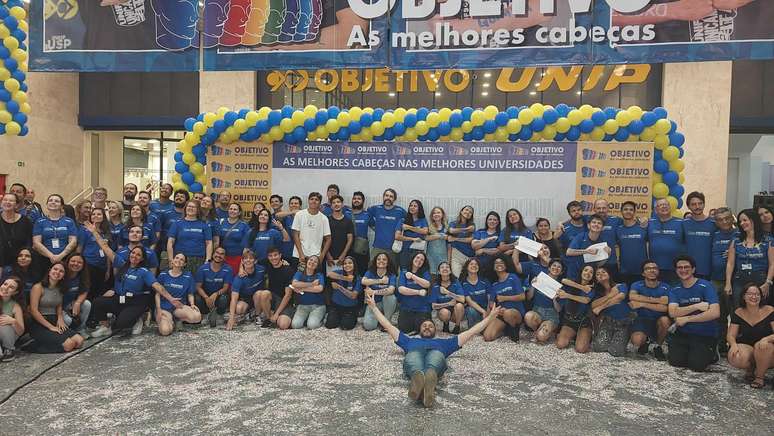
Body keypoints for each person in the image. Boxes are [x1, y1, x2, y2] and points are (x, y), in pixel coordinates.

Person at [365, 291, 504, 408]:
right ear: (419, 330)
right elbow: (388, 326)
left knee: (435, 360)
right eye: (424, 326)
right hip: (414, 352)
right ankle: (422, 383)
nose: (427, 327)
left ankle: (423, 384)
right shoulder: (409, 340)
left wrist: (490, 317)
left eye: (430, 326)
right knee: (413, 361)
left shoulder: (444, 343)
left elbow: (471, 332)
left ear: (435, 331)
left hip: (437, 353)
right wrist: (374, 308)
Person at [91, 246, 180, 338]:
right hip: (119, 298)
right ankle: (105, 327)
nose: (134, 256)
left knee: (121, 325)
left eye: (138, 255)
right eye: (133, 253)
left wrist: (171, 298)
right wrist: (94, 232)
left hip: (135, 302)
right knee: (98, 302)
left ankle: (139, 318)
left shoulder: (144, 272)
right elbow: (106, 249)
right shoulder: (122, 264)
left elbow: (157, 286)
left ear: (142, 259)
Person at [668, 255, 721, 372]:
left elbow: (715, 312)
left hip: (704, 333)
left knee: (697, 366)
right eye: (679, 267)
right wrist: (696, 306)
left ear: (693, 269)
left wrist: (687, 319)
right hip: (683, 333)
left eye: (686, 267)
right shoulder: (674, 289)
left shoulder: (706, 285)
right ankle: (691, 351)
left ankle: (712, 352)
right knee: (676, 362)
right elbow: (672, 313)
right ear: (676, 270)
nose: (683, 270)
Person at [27, 263, 85, 353]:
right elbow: (33, 311)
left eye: (61, 271)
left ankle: (50, 342)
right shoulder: (38, 287)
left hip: (54, 320)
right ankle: (33, 346)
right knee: (69, 345)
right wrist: (50, 327)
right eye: (55, 269)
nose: (57, 272)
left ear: (63, 276)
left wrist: (60, 318)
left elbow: (59, 305)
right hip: (39, 324)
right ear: (49, 271)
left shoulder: (60, 288)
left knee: (79, 341)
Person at [726, 283, 774, 388]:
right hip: (748, 347)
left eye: (757, 294)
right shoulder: (738, 312)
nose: (754, 297)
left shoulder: (770, 310)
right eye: (750, 294)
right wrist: (733, 345)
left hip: (767, 347)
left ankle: (759, 377)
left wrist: (766, 339)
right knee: (736, 357)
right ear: (743, 296)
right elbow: (731, 335)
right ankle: (751, 368)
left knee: (762, 347)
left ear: (761, 297)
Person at [725, 209, 774, 308]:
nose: (742, 223)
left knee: (761, 311)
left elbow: (772, 264)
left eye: (745, 220)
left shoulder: (768, 240)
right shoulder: (736, 240)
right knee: (739, 310)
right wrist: (728, 283)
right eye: (740, 221)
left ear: (754, 220)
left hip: (761, 280)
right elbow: (730, 263)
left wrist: (768, 283)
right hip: (740, 280)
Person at [517, 246, 563, 344]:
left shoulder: (560, 287)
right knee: (528, 316)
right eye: (554, 266)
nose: (556, 268)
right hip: (537, 310)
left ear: (561, 271)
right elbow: (529, 297)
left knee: (542, 337)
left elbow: (559, 310)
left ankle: (545, 330)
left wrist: (555, 299)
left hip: (552, 315)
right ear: (549, 268)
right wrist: (532, 286)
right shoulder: (540, 278)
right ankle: (537, 330)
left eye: (559, 267)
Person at [629, 260, 671, 361]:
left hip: (659, 320)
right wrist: (657, 301)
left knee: (665, 321)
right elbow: (632, 297)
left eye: (655, 268)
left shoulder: (666, 287)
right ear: (643, 273)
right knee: (637, 341)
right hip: (642, 319)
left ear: (658, 271)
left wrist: (642, 303)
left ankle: (657, 346)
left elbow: (665, 306)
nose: (652, 270)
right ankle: (647, 341)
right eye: (648, 268)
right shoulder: (636, 285)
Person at [711, 207, 738, 353]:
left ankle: (735, 344)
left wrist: (735, 252)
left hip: (735, 280)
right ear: (716, 222)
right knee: (719, 314)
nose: (725, 221)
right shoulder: (713, 235)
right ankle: (720, 344)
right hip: (715, 279)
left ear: (732, 218)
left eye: (727, 218)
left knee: (735, 314)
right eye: (720, 219)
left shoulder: (740, 234)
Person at [32, 194, 79, 276]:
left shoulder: (69, 221)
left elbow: (73, 241)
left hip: (64, 258)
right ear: (47, 205)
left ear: (61, 206)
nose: (53, 202)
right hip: (44, 258)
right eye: (50, 200)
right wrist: (51, 256)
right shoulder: (39, 221)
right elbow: (36, 243)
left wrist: (60, 256)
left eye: (56, 201)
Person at [590, 266, 632, 357]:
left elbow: (620, 297)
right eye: (598, 274)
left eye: (603, 272)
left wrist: (601, 307)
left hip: (623, 323)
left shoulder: (621, 286)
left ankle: (622, 338)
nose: (601, 274)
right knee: (598, 348)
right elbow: (593, 305)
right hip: (608, 322)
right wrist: (610, 296)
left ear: (609, 275)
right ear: (596, 279)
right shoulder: (598, 293)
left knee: (616, 352)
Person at [156, 254, 202, 336]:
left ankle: (178, 319)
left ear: (184, 264)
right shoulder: (163, 275)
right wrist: (158, 309)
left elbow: (190, 293)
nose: (178, 260)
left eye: (182, 259)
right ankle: (171, 321)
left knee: (197, 316)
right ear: (172, 260)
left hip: (179, 307)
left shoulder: (188, 276)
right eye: (177, 258)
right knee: (165, 331)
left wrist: (192, 304)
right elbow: (157, 294)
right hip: (164, 307)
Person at [555, 265, 596, 353]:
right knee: (560, 344)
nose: (588, 273)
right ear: (581, 272)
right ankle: (572, 335)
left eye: (591, 272)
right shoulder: (572, 283)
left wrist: (567, 295)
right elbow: (563, 280)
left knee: (580, 349)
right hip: (569, 320)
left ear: (593, 276)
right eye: (586, 270)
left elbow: (585, 300)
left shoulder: (591, 289)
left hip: (583, 322)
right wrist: (582, 287)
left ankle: (583, 336)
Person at [483, 256, 525, 342]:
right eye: (496, 263)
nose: (499, 264)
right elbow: (491, 304)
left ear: (506, 265)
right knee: (487, 337)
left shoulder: (513, 277)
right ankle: (505, 330)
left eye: (501, 262)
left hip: (515, 313)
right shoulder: (494, 285)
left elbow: (522, 296)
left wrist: (505, 298)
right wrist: (496, 311)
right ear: (493, 267)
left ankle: (514, 329)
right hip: (501, 314)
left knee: (508, 313)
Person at [167, 200, 213, 275]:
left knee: (196, 283)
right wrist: (170, 259)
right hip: (180, 260)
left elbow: (209, 243)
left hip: (198, 260)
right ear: (185, 208)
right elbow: (170, 242)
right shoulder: (177, 224)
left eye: (193, 207)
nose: (191, 208)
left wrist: (208, 260)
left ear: (198, 210)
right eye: (189, 206)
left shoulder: (204, 225)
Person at [226, 250, 267, 330]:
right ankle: (248, 314)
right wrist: (231, 318)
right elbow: (234, 299)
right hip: (246, 299)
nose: (248, 260)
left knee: (258, 294)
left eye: (251, 258)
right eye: (245, 258)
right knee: (239, 308)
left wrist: (284, 262)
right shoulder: (239, 278)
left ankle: (257, 315)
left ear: (255, 261)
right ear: (242, 261)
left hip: (258, 296)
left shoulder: (261, 270)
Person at [291, 192, 332, 273]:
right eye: (312, 199)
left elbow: (328, 239)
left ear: (320, 203)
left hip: (315, 257)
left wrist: (322, 256)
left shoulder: (324, 218)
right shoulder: (299, 214)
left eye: (316, 200)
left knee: (314, 281)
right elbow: (295, 234)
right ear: (308, 201)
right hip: (299, 257)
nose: (314, 201)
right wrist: (301, 254)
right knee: (298, 278)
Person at [648, 198, 685, 284]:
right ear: (656, 210)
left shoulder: (681, 223)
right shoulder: (650, 223)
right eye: (660, 205)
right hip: (654, 268)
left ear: (670, 207)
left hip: (676, 268)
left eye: (666, 204)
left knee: (674, 295)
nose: (664, 206)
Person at [194, 247, 233, 328]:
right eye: (217, 253)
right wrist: (206, 297)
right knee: (197, 298)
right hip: (205, 295)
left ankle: (219, 315)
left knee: (224, 298)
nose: (219, 255)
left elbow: (226, 287)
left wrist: (216, 294)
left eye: (222, 254)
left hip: (219, 296)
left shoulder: (228, 269)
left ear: (225, 257)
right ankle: (205, 315)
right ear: (213, 254)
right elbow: (198, 287)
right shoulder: (203, 268)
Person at [565, 214, 612, 281]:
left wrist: (608, 254)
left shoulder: (602, 242)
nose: (596, 225)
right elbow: (568, 252)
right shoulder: (581, 236)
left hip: (589, 276)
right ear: (588, 225)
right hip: (574, 273)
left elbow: (598, 264)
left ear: (602, 228)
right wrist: (587, 251)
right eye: (594, 222)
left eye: (599, 223)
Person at [78, 208, 111, 300]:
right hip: (89, 264)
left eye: (99, 214)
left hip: (102, 266)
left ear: (103, 217)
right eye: (93, 214)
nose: (96, 216)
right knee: (89, 291)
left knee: (99, 292)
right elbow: (79, 248)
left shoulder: (105, 232)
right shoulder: (84, 230)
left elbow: (107, 251)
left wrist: (108, 269)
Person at [367, 188, 406, 266]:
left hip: (393, 248)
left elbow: (410, 221)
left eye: (391, 196)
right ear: (383, 197)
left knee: (392, 272)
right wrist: (374, 227)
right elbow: (366, 215)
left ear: (394, 199)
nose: (388, 198)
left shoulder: (400, 211)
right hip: (378, 247)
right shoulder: (376, 208)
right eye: (386, 195)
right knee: (372, 268)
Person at [396, 252, 433, 334]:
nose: (419, 260)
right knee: (404, 329)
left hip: (422, 308)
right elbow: (401, 289)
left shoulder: (425, 272)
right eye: (417, 258)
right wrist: (418, 292)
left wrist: (413, 276)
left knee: (422, 329)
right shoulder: (404, 272)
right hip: (406, 307)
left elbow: (427, 284)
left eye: (422, 260)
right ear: (413, 258)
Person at [362, 252, 398, 331]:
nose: (381, 261)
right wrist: (380, 280)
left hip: (387, 304)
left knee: (390, 297)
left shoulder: (392, 275)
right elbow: (364, 281)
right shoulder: (370, 272)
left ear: (388, 262)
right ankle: (379, 318)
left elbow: (391, 290)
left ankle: (387, 321)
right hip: (374, 303)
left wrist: (373, 292)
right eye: (378, 259)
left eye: (384, 259)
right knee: (368, 326)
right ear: (375, 261)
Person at [683, 192, 716, 279]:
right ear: (688, 206)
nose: (697, 207)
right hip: (687, 271)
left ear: (704, 204)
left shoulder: (714, 224)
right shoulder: (683, 224)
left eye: (700, 203)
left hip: (708, 270)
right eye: (693, 204)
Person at [616, 201, 648, 286]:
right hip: (624, 271)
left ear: (634, 212)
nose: (628, 211)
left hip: (642, 271)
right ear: (621, 212)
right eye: (625, 209)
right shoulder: (618, 229)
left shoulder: (643, 227)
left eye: (631, 209)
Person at [290, 254, 327, 329]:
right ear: (307, 262)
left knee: (311, 326)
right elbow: (294, 283)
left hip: (317, 306)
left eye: (315, 262)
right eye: (311, 260)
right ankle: (309, 318)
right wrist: (312, 284)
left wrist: (302, 288)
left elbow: (319, 289)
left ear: (317, 266)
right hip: (302, 305)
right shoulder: (299, 273)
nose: (312, 262)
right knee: (295, 325)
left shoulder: (319, 275)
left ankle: (323, 317)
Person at [325, 256, 361, 330]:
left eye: (350, 263)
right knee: (330, 325)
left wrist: (339, 287)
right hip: (336, 305)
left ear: (354, 265)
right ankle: (336, 316)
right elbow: (329, 274)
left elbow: (353, 296)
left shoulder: (358, 278)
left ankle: (348, 317)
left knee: (346, 326)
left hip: (350, 308)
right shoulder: (340, 272)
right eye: (345, 263)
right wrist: (345, 278)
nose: (347, 265)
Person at [264, 248, 296, 330]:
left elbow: (288, 295)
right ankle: (268, 319)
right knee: (262, 294)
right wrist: (241, 269)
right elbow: (250, 262)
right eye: (270, 256)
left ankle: (276, 316)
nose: (273, 258)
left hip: (285, 301)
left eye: (275, 255)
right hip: (273, 299)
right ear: (268, 257)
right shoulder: (268, 266)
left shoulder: (288, 270)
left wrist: (277, 314)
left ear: (280, 255)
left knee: (283, 325)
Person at [62, 254, 92, 339]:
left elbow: (84, 290)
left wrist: (78, 302)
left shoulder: (83, 276)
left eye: (79, 262)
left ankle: (80, 329)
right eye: (73, 261)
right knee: (68, 321)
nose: (76, 264)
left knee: (87, 304)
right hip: (58, 306)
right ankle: (69, 333)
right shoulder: (61, 273)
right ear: (67, 262)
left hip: (70, 304)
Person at [430, 261, 465, 334]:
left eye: (447, 267)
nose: (445, 269)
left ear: (450, 271)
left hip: (456, 312)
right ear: (439, 272)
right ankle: (446, 324)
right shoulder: (436, 285)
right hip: (443, 311)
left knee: (459, 305)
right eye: (442, 267)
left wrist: (448, 292)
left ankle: (457, 326)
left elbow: (462, 299)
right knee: (445, 313)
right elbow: (433, 306)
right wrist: (448, 304)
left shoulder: (455, 282)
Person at [0, 192, 32, 268]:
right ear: (1, 203)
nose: (7, 202)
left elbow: (29, 242)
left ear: (17, 205)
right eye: (5, 200)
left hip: (19, 263)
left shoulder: (25, 221)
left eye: (11, 200)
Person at [394, 199, 428, 271]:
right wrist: (413, 239)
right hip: (405, 251)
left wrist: (409, 227)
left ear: (419, 209)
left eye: (415, 206)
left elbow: (425, 231)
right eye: (411, 205)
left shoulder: (422, 220)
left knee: (417, 272)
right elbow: (397, 236)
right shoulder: (403, 220)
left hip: (418, 251)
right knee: (404, 271)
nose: (412, 207)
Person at [218, 203, 250, 273]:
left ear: (239, 213)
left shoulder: (244, 225)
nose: (232, 211)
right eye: (231, 209)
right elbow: (216, 240)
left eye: (235, 209)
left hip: (237, 258)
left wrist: (243, 262)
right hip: (222, 258)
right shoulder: (221, 222)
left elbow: (247, 245)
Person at [325, 195, 355, 271]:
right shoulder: (326, 220)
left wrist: (343, 255)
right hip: (329, 256)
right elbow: (323, 239)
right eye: (333, 203)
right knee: (330, 280)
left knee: (343, 279)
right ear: (331, 206)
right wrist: (328, 255)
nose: (336, 204)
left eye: (338, 202)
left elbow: (350, 239)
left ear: (342, 204)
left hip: (344, 256)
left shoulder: (348, 221)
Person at [460, 258, 491, 327]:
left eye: (476, 264)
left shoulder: (484, 280)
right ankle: (474, 329)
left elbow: (490, 298)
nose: (474, 265)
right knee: (470, 310)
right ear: (467, 267)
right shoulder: (463, 283)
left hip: (486, 308)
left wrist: (488, 311)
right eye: (471, 264)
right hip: (474, 309)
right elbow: (469, 301)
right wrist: (483, 311)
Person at [0, 276, 24, 361]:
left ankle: (9, 350)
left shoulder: (15, 306)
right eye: (5, 284)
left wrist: (13, 321)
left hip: (8, 335)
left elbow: (21, 332)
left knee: (4, 323)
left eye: (11, 287)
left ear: (15, 292)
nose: (6, 288)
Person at [447, 205, 475, 278]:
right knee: (456, 278)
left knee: (469, 278)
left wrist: (455, 239)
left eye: (470, 212)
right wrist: (466, 229)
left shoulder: (472, 225)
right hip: (456, 255)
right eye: (466, 210)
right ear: (461, 211)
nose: (468, 212)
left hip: (469, 256)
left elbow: (470, 239)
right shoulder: (453, 223)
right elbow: (451, 230)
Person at [471, 211, 501, 280]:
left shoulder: (500, 234)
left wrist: (483, 250)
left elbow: (498, 250)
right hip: (478, 266)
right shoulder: (480, 232)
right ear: (486, 221)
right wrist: (489, 239)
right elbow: (474, 246)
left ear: (498, 222)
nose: (492, 221)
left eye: (495, 220)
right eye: (490, 219)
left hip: (493, 267)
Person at [556, 200, 586, 265]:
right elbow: (560, 247)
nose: (577, 212)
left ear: (582, 210)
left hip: (586, 263)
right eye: (573, 211)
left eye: (579, 209)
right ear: (569, 213)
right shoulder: (564, 228)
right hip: (569, 263)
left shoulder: (589, 224)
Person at [276, 195, 302, 267]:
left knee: (299, 275)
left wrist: (300, 213)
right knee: (286, 274)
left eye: (296, 203)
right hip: (287, 252)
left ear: (300, 206)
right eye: (292, 203)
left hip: (300, 253)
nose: (293, 205)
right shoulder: (286, 216)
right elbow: (277, 215)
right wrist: (292, 212)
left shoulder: (304, 217)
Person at [350, 191, 371, 276]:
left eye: (359, 199)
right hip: (348, 246)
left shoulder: (367, 214)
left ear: (363, 201)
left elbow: (375, 227)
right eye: (354, 198)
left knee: (362, 270)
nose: (356, 200)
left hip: (361, 248)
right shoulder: (346, 213)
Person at [425, 206, 448, 278]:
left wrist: (449, 259)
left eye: (438, 212)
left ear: (442, 215)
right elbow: (425, 238)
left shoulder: (447, 228)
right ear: (432, 216)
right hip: (430, 257)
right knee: (432, 278)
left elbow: (450, 243)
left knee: (443, 278)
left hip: (443, 257)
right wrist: (439, 236)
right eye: (434, 213)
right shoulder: (429, 227)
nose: (436, 214)